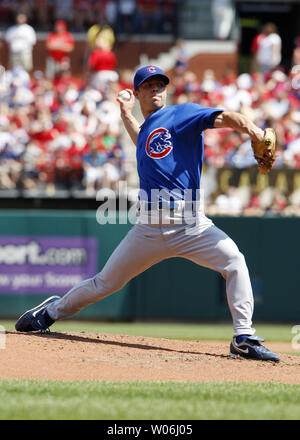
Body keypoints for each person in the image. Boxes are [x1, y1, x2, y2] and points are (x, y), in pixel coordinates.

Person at [15, 65, 280, 362]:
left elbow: (227, 117)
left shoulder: (182, 114)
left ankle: (243, 337)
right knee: (105, 283)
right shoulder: (148, 129)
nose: (156, 90)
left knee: (234, 262)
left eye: (160, 85)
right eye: (149, 85)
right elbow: (142, 139)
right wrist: (126, 114)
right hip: (149, 228)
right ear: (138, 92)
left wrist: (253, 130)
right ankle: (49, 312)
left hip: (191, 225)